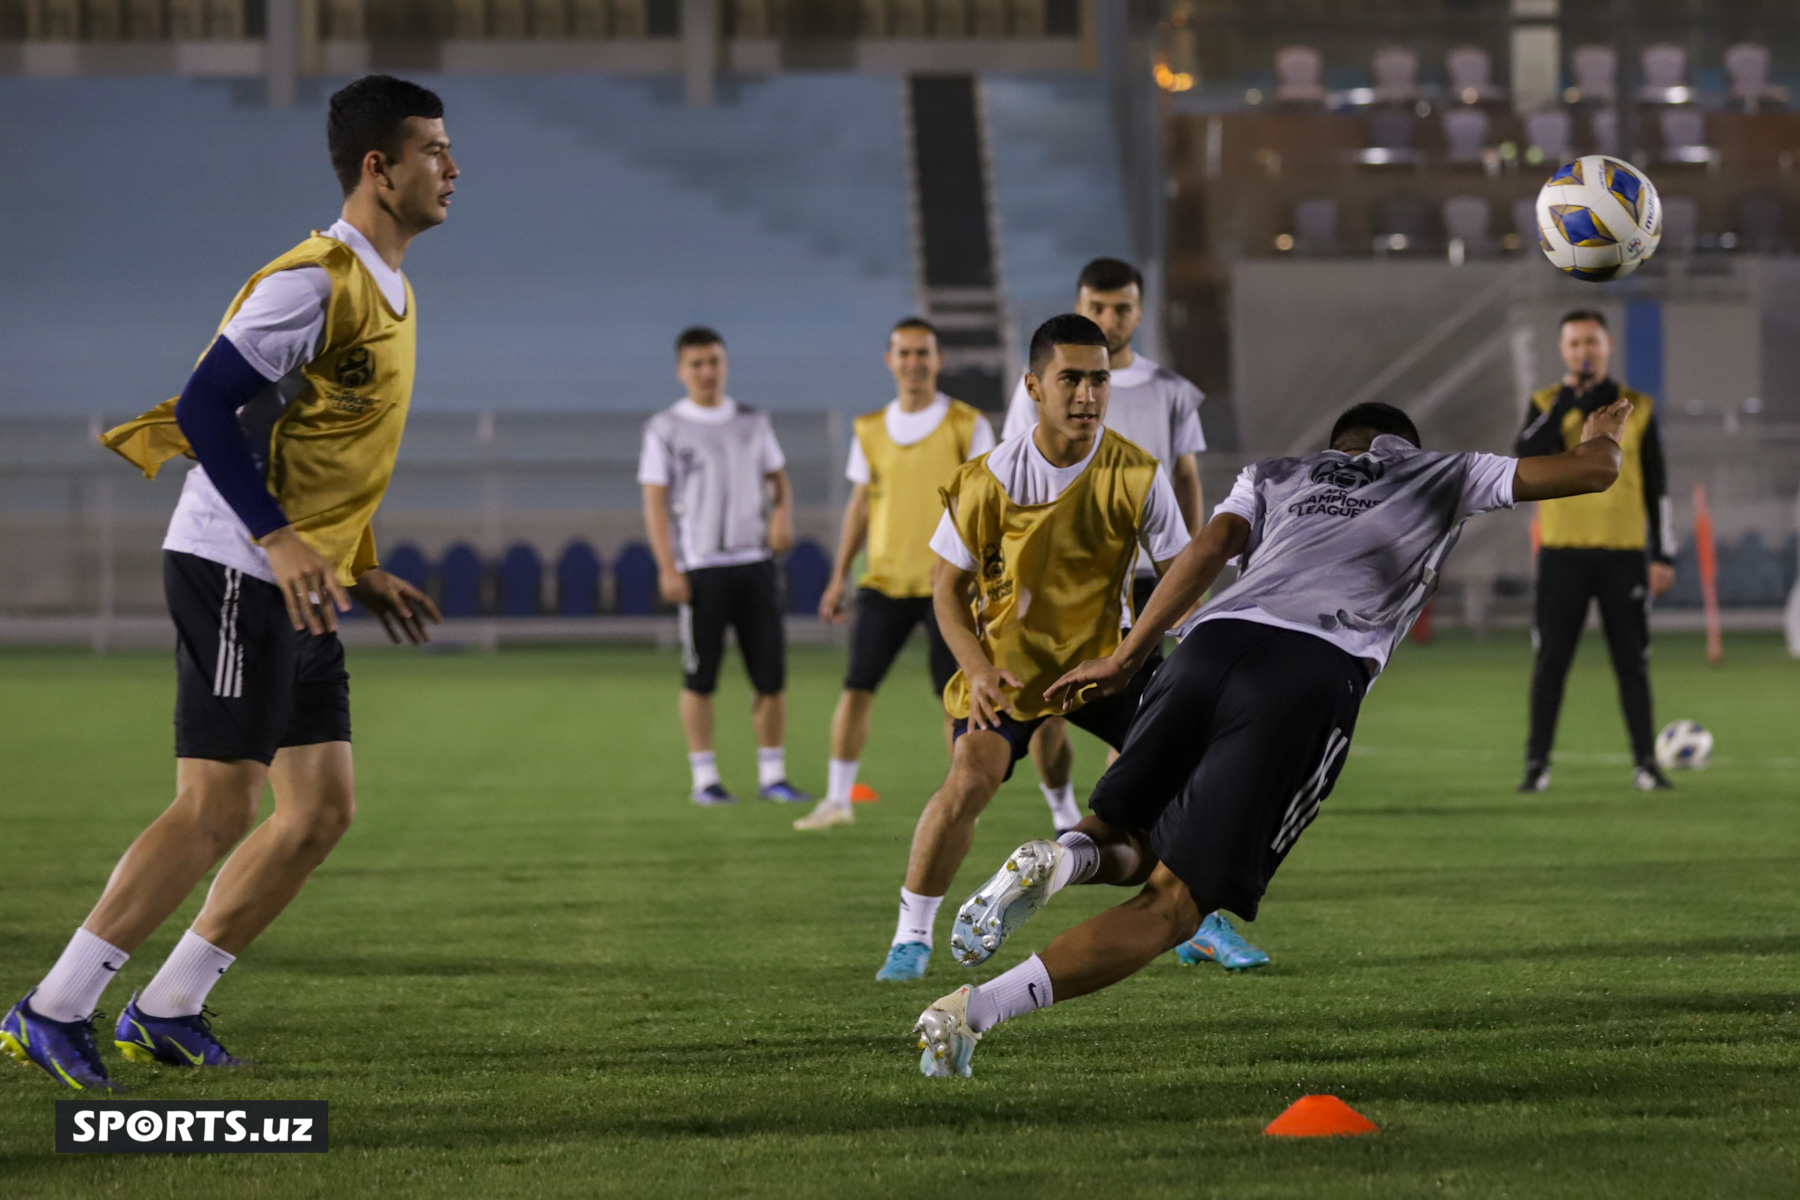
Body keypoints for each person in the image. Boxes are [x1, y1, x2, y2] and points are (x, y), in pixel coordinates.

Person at [910, 397, 1634, 1077]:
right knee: (1173, 906)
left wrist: (1127, 657)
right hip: (1309, 670)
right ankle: (976, 1011)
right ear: (1402, 446)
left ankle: (1061, 861)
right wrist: (1607, 428)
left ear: (1338, 447)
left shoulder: (1275, 474)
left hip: (1207, 645)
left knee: (1125, 834)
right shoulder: (1445, 470)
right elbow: (1593, 471)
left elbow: (1208, 548)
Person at [1, 76, 452, 1091]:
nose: (451, 168)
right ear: (379, 167)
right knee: (217, 807)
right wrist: (281, 539)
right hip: (238, 565)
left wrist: (360, 567)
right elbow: (208, 408)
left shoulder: (393, 288)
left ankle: (167, 1006)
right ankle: (51, 1006)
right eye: (433, 148)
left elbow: (328, 446)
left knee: (320, 810)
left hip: (302, 577)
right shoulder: (311, 282)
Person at [874, 314, 1190, 982]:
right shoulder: (985, 479)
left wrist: (1138, 656)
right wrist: (978, 669)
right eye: (1070, 378)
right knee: (967, 782)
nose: (1087, 395)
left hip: (1105, 665)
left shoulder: (1137, 474)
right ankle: (911, 936)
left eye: (1099, 380)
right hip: (1010, 672)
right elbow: (946, 590)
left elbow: (1179, 579)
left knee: (1185, 780)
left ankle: (1196, 921)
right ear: (1033, 387)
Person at [1002, 257, 1262, 973]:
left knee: (1161, 737)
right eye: (1097, 306)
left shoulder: (1172, 391)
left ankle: (1137, 872)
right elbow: (1019, 471)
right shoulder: (1052, 380)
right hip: (1076, 585)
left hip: (1160, 573)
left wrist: (1196, 568)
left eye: (1120, 309)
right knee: (1065, 716)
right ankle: (1075, 827)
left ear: (1138, 313)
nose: (1109, 319)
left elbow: (1183, 476)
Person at [794, 319, 996, 831]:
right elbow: (860, 507)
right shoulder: (870, 429)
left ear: (939, 359)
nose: (913, 362)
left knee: (953, 696)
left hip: (947, 588)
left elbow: (988, 505)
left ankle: (961, 796)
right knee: (856, 686)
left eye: (922, 352)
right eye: (904, 353)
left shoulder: (967, 424)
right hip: (882, 583)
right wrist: (840, 575)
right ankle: (837, 799)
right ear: (889, 360)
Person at [639, 327, 808, 807]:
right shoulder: (666, 428)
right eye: (696, 364)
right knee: (701, 678)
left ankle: (773, 775)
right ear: (681, 371)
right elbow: (654, 501)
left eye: (713, 361)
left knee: (771, 677)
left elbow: (778, 477)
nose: (706, 371)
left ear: (726, 364)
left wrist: (781, 515)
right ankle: (704, 778)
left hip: (754, 564)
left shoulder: (753, 421)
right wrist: (668, 567)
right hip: (701, 567)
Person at [1516, 310, 1675, 793]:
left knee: (1632, 662)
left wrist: (1663, 554)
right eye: (1574, 343)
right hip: (1562, 552)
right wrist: (1566, 401)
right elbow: (1523, 455)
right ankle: (1536, 765)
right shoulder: (1545, 401)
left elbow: (1658, 486)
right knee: (1551, 663)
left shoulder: (1637, 407)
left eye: (1591, 342)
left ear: (1608, 345)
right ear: (1563, 351)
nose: (1584, 351)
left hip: (1623, 553)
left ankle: (1646, 764)